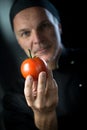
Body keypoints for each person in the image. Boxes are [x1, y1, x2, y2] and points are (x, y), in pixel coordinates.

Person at [2, 0, 87, 130]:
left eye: (44, 26)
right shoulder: (14, 100)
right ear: (18, 41)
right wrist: (43, 115)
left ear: (59, 26)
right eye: (25, 33)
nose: (37, 39)